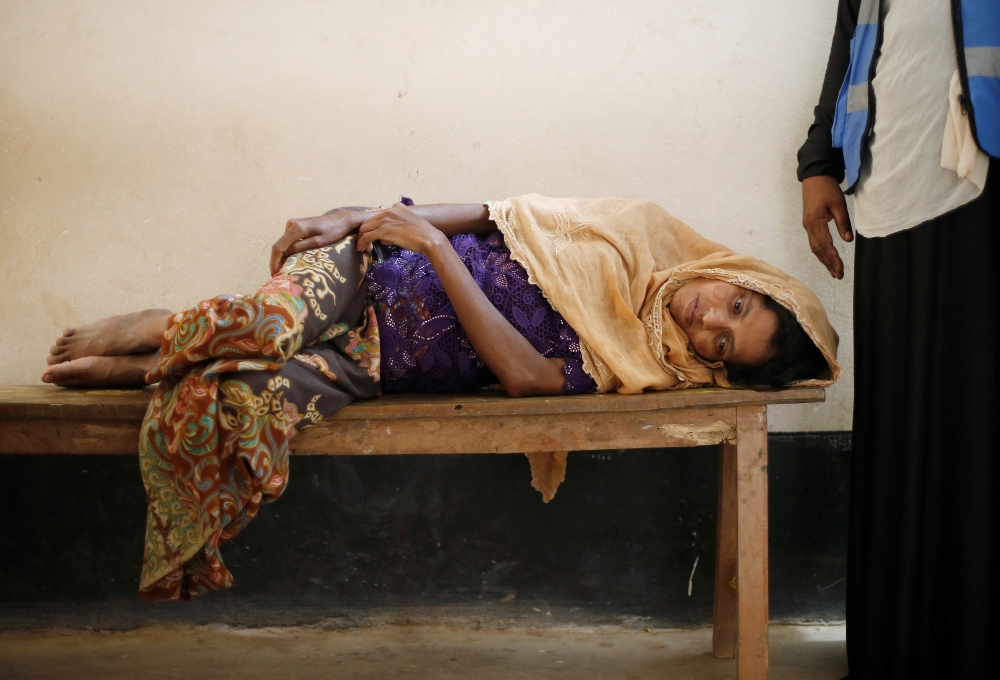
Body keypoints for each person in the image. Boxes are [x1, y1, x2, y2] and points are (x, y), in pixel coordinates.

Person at [41, 195, 839, 600]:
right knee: (272, 317)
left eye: (724, 346)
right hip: (369, 275)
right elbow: (499, 212)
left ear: (718, 367)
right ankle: (159, 328)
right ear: (740, 275)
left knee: (246, 402)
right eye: (734, 304)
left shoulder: (641, 366)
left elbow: (527, 379)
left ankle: (159, 362)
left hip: (381, 366)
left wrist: (434, 249)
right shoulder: (639, 226)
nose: (710, 321)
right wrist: (364, 217)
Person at [797, 1, 999, 678]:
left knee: (977, 419)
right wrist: (817, 162)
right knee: (901, 419)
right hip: (890, 180)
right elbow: (851, 38)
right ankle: (900, 645)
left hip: (983, 179)